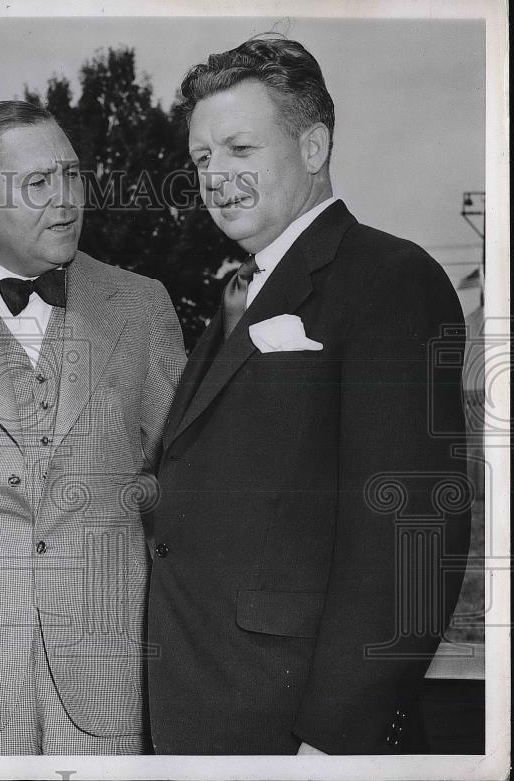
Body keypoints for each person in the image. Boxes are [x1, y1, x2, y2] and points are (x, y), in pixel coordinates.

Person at [147, 35, 470, 755]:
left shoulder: (389, 276)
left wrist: (334, 742)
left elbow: (414, 536)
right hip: (205, 715)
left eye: (239, 148)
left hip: (297, 734)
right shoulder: (238, 291)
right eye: (202, 158)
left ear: (315, 145)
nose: (215, 176)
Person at [0, 100, 186, 755]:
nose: (66, 199)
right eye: (38, 183)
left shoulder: (140, 306)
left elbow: (184, 496)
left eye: (72, 176)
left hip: (112, 687)